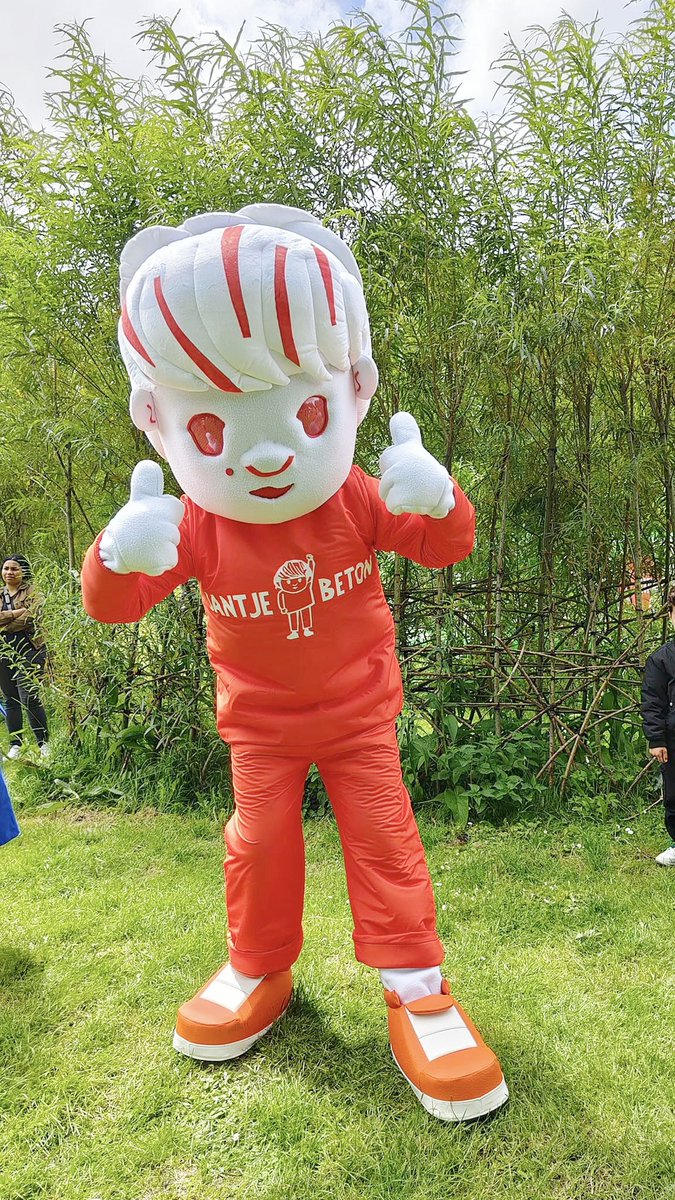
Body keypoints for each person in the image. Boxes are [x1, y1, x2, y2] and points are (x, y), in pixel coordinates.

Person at [81, 205, 508, 1122]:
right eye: (212, 430)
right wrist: (117, 554)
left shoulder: (351, 496)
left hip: (359, 717)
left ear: (353, 390)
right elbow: (113, 607)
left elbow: (442, 545)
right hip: (258, 727)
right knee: (259, 842)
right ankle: (257, 965)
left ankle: (416, 988)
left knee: (384, 841)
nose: (266, 453)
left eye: (304, 409)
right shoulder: (196, 522)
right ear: (155, 420)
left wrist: (439, 497)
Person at [0, 555, 49, 759]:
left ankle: (43, 743)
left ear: (24, 572)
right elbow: (23, 615)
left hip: (30, 647)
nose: (9, 572)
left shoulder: (33, 591)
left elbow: (33, 616)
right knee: (10, 699)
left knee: (29, 697)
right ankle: (16, 745)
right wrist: (16, 613)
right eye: (6, 568)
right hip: (3, 649)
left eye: (14, 569)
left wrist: (5, 620)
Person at [641, 584, 675, 866]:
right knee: (674, 793)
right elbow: (653, 702)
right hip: (674, 739)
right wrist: (657, 739)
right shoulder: (661, 659)